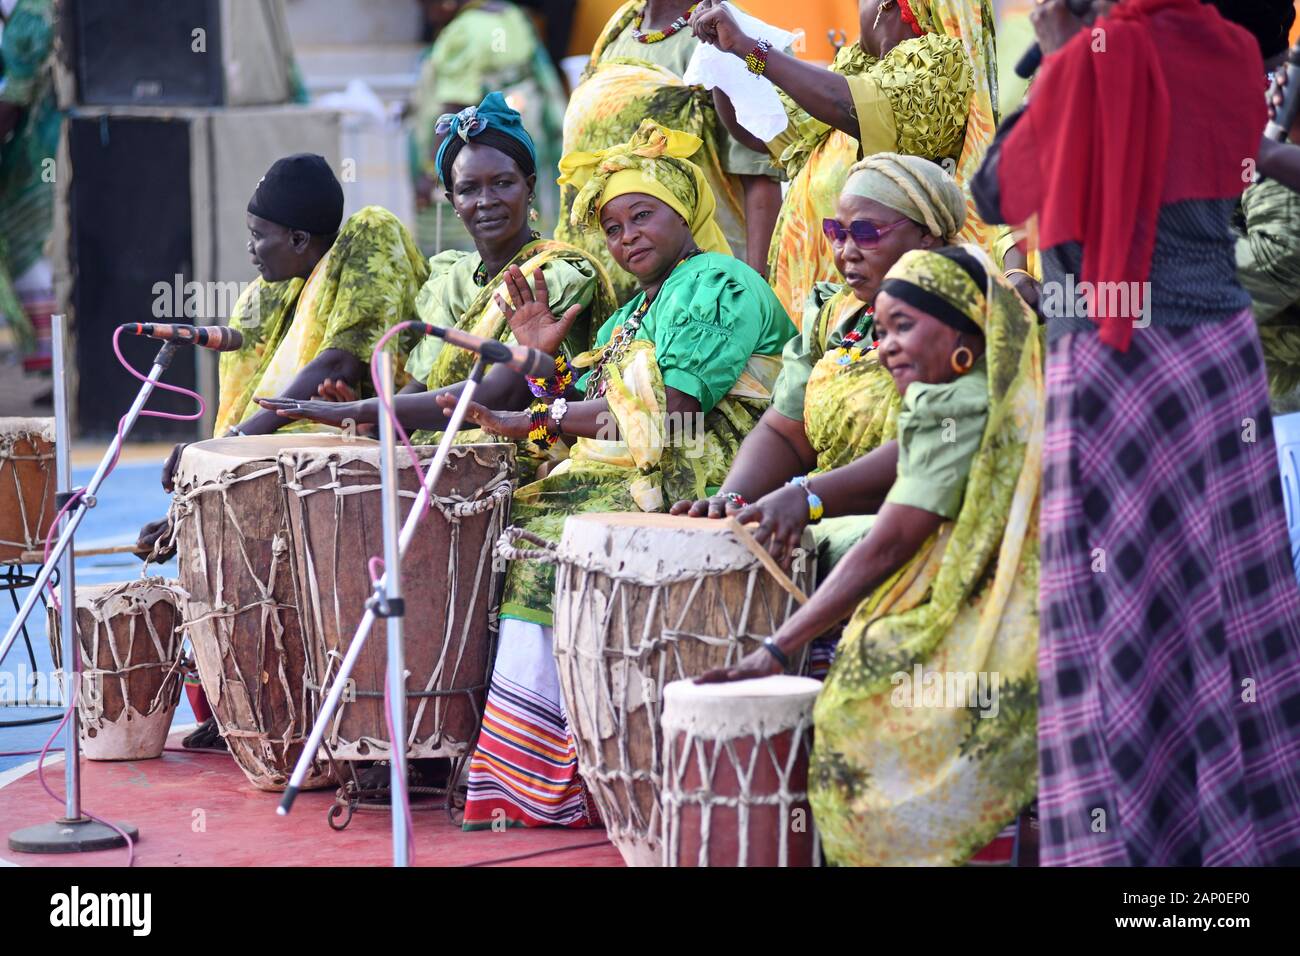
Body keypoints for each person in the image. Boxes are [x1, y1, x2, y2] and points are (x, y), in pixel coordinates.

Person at [973, 0, 1300, 865]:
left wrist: (1054, 54)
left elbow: (1000, 189)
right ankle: (1239, 847)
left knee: (1123, 610)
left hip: (1119, 366)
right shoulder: (1233, 49)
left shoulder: (1087, 60)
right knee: (1224, 601)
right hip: (1218, 355)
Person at [443, 119, 796, 829]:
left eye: (644, 215)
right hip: (643, 465)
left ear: (685, 215)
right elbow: (585, 407)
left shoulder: (720, 281)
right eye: (612, 226)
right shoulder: (627, 316)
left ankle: (541, 782)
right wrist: (542, 363)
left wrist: (538, 418)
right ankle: (518, 763)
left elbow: (671, 409)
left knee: (546, 535)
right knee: (505, 513)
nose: (627, 235)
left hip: (710, 466)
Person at [698, 245, 1043, 866]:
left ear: (965, 326)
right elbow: (903, 469)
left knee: (857, 693)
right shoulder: (983, 381)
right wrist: (800, 495)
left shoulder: (957, 404)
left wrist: (774, 651)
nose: (885, 346)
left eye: (904, 326)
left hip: (1009, 607)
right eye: (880, 330)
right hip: (1016, 588)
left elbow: (891, 540)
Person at [136, 155, 428, 748]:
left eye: (258, 237)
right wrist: (188, 508)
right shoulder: (277, 296)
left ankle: (294, 715)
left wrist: (229, 446)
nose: (252, 251)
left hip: (362, 474)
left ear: (299, 238)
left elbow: (341, 360)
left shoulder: (371, 238)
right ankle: (243, 705)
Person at [262, 93, 618, 486]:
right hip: (438, 466)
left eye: (502, 183)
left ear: (529, 187)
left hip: (526, 472)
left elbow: (496, 397)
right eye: (469, 189)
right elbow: (420, 392)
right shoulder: (453, 279)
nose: (486, 201)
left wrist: (372, 408)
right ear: (451, 200)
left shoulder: (556, 274)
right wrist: (366, 424)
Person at [671, 153, 966, 587]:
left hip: (923, 524)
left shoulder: (966, 314)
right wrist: (730, 499)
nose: (845, 252)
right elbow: (785, 433)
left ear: (926, 237)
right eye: (837, 232)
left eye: (866, 233)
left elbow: (932, 444)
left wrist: (807, 498)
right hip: (823, 512)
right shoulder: (838, 316)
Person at [692, 0, 998, 323]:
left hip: (890, 316)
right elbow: (761, 134)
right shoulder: (857, 69)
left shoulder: (941, 67)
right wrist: (720, 57)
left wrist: (748, 46)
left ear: (886, 5)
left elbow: (847, 103)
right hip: (822, 309)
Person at [557, 1, 783, 302]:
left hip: (702, 294)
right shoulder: (621, 27)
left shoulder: (730, 34)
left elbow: (760, 176)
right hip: (611, 293)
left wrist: (756, 294)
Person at [410, 0, 567, 253]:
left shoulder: (463, 31)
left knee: (473, 236)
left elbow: (454, 104)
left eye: (426, 5)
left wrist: (432, 173)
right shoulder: (512, 14)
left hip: (478, 156)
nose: (425, 13)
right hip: (524, 144)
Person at [0, 0, 58, 368]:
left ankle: (54, 360)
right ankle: (52, 365)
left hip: (42, 146)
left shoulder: (29, 20)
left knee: (35, 241)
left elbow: (14, 98)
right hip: (42, 142)